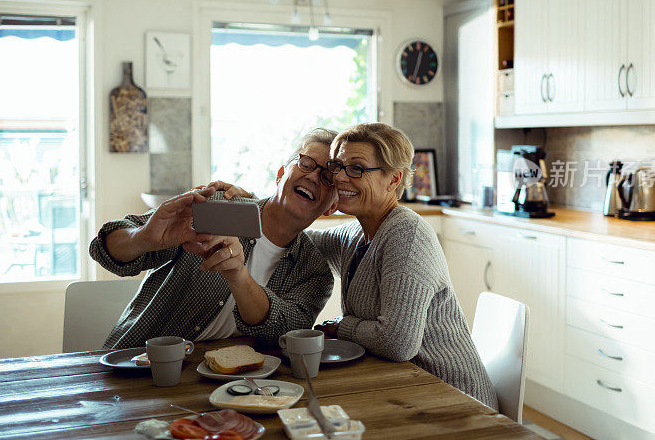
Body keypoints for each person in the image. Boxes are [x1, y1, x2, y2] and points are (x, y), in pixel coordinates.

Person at [213, 123, 498, 410]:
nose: (340, 178)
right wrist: (248, 203)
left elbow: (397, 343)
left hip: (452, 397)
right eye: (337, 167)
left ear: (393, 179)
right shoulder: (352, 235)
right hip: (402, 388)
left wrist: (340, 325)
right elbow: (285, 231)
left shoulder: (407, 235)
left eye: (357, 169)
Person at [88, 128, 339, 349]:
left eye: (328, 177)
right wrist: (144, 237)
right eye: (306, 163)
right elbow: (102, 249)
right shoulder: (214, 206)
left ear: (333, 206)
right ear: (281, 173)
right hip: (136, 365)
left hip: (229, 384)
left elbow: (284, 334)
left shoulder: (314, 272)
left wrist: (237, 275)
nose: (314, 176)